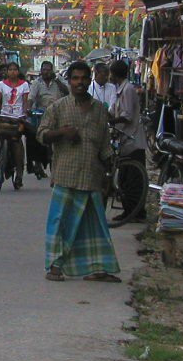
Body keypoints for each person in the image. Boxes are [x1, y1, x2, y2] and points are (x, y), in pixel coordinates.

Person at [37, 60, 121, 282]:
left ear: (89, 79)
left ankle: (99, 268)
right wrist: (62, 132)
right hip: (65, 175)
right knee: (60, 223)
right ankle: (55, 267)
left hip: (91, 176)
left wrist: (109, 175)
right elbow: (42, 134)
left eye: (84, 78)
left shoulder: (99, 111)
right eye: (75, 78)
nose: (80, 82)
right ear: (70, 81)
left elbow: (104, 146)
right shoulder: (58, 107)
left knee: (95, 226)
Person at [108, 58, 148, 215]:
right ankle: (128, 210)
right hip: (124, 141)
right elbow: (113, 110)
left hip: (133, 140)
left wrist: (111, 121)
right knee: (124, 178)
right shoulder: (119, 90)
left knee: (134, 179)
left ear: (114, 74)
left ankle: (136, 212)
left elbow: (127, 116)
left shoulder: (128, 89)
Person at [27, 61, 68, 179]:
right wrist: (28, 108)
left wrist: (58, 81)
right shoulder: (36, 83)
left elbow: (67, 92)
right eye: (44, 69)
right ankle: (37, 163)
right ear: (41, 71)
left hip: (57, 114)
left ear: (52, 71)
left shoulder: (59, 81)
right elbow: (31, 98)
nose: (46, 72)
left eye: (48, 70)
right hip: (41, 114)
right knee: (34, 137)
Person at [0, 61, 30, 189]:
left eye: (15, 69)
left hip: (18, 117)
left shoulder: (24, 85)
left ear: (18, 71)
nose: (12, 72)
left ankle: (19, 172)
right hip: (4, 117)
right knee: (3, 140)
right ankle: (1, 165)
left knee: (17, 143)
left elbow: (25, 101)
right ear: (7, 72)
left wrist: (25, 112)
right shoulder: (1, 84)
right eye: (10, 69)